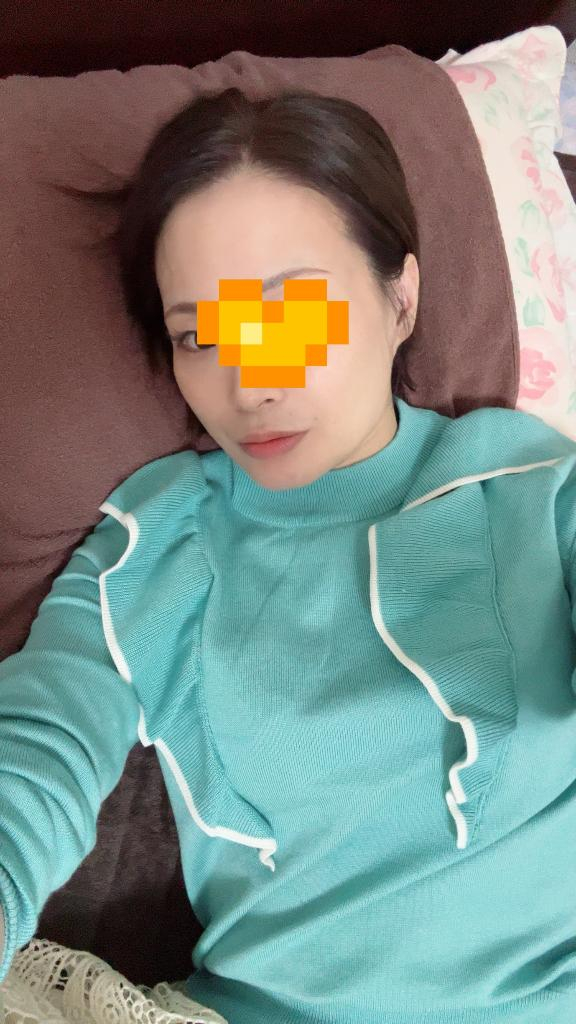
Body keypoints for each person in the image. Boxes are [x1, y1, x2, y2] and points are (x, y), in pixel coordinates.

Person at [1, 87, 576, 1024]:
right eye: (200, 334)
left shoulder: (533, 489)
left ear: (400, 298)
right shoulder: (157, 542)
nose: (251, 382)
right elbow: (35, 754)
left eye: (291, 313)